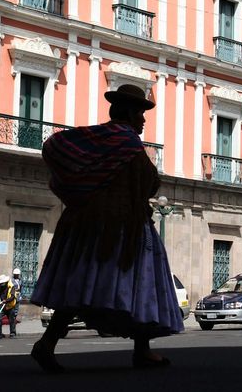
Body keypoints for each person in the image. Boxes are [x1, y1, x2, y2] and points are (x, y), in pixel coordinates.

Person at [30, 84, 183, 373]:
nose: (144, 119)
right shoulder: (128, 144)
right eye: (140, 112)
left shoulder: (97, 137)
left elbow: (53, 146)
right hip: (123, 228)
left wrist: (80, 184)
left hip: (85, 226)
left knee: (78, 285)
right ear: (129, 112)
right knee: (142, 286)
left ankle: (47, 343)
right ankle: (142, 350)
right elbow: (149, 180)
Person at [0, 274, 19, 339]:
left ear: (5, 282)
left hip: (10, 306)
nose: (1, 285)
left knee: (12, 320)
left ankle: (12, 333)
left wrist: (6, 300)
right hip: (3, 306)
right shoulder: (1, 287)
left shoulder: (12, 287)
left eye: (2, 283)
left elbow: (12, 297)